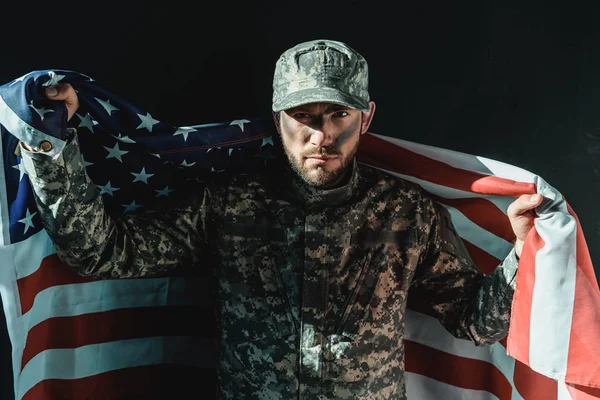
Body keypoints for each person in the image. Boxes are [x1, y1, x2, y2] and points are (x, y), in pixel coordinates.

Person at [19, 39, 542, 399]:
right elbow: (102, 251)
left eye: (339, 115)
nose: (322, 136)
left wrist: (523, 250)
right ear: (277, 119)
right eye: (304, 117)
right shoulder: (228, 204)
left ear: (367, 117)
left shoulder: (406, 212)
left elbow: (476, 323)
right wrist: (51, 147)